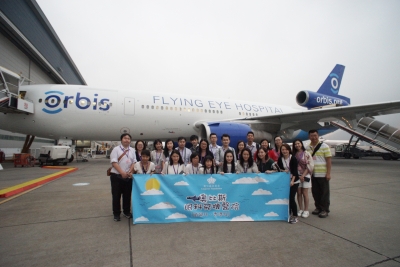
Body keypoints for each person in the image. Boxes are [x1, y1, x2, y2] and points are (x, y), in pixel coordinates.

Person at [109, 133, 137, 222]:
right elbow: (114, 162)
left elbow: (134, 162)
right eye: (125, 138)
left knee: (127, 195)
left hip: (128, 176)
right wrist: (122, 173)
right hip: (116, 176)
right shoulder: (116, 149)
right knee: (116, 196)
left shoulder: (132, 150)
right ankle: (116, 214)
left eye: (128, 138)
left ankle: (126, 212)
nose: (127, 140)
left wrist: (130, 172)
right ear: (121, 140)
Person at [306, 129, 332, 218]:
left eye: (315, 135)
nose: (313, 137)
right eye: (312, 136)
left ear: (318, 136)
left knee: (324, 192)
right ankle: (318, 207)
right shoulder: (307, 148)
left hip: (322, 173)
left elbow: (328, 161)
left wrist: (328, 173)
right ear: (309, 137)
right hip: (313, 174)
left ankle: (325, 209)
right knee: (315, 192)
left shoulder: (325, 146)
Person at [277, 143, 300, 224]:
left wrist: (292, 181)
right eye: (282, 149)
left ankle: (295, 215)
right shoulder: (280, 159)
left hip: (294, 181)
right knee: (286, 198)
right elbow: (280, 170)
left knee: (291, 198)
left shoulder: (293, 158)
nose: (284, 151)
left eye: (286, 149)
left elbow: (295, 171)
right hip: (285, 181)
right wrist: (284, 171)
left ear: (289, 150)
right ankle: (288, 213)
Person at [293, 139, 314, 218]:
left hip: (305, 175)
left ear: (301, 144)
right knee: (298, 193)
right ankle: (300, 209)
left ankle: (306, 210)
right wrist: (298, 176)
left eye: (298, 143)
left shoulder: (306, 154)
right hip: (297, 175)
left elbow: (310, 165)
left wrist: (303, 175)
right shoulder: (294, 155)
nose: (297, 145)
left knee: (305, 193)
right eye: (295, 144)